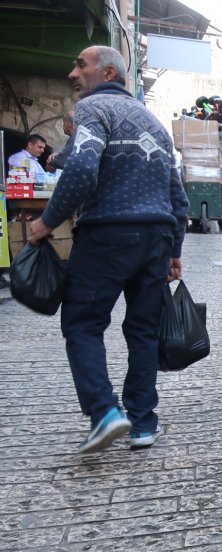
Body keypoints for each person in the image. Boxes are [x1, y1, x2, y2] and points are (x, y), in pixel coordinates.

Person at [27, 45, 188, 453]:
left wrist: (45, 223)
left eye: (80, 64)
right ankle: (143, 422)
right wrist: (174, 250)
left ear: (108, 72)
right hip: (155, 238)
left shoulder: (93, 109)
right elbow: (177, 194)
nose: (72, 73)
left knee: (82, 323)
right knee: (143, 329)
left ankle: (104, 412)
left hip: (108, 235)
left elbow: (81, 168)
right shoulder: (153, 122)